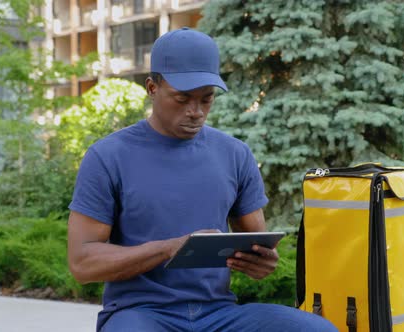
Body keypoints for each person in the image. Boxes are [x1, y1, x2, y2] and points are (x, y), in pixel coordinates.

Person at [67, 27, 337, 332]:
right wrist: (169, 248)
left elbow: (259, 249)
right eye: (182, 99)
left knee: (319, 330)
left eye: (206, 100)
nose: (196, 112)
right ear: (152, 88)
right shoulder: (107, 156)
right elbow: (83, 263)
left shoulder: (235, 154)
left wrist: (263, 263)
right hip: (140, 313)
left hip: (218, 314)